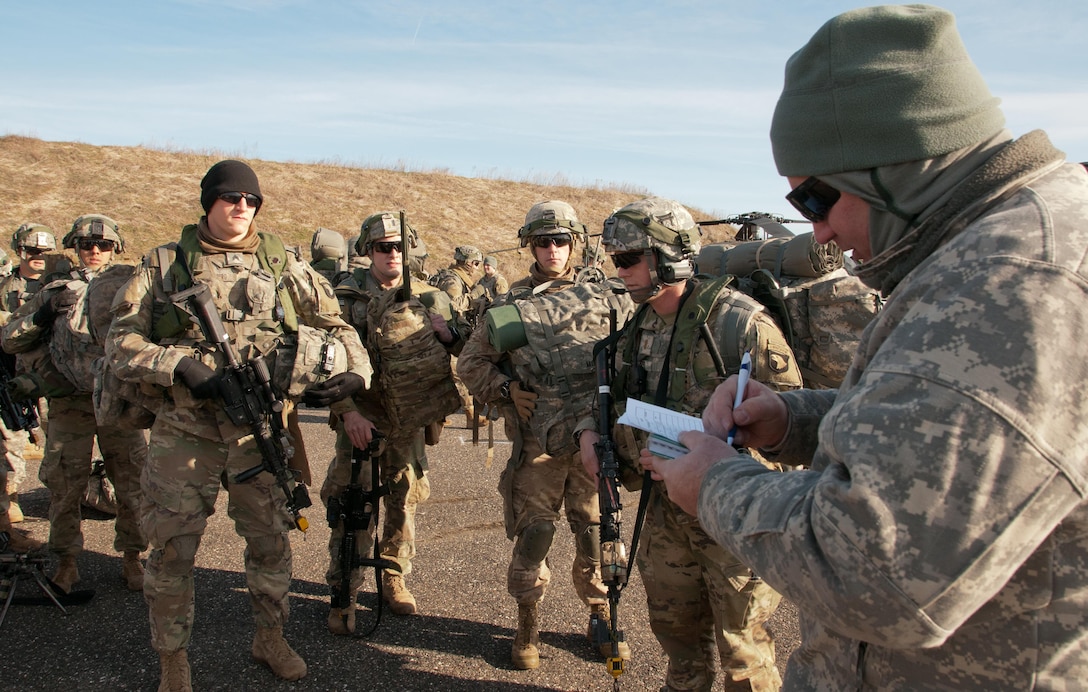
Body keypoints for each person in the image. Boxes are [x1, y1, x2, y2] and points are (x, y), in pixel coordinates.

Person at [641, 5, 1088, 689]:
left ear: (892, 162)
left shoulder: (1007, 284)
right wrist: (797, 420)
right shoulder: (995, 250)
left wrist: (714, 486)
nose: (817, 235)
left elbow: (877, 574)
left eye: (817, 201)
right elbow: (947, 429)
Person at [105, 160, 372, 690]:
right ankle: (173, 660)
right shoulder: (165, 264)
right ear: (208, 202)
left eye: (251, 200)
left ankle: (269, 636)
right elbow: (119, 343)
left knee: (272, 543)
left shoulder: (282, 263)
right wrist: (179, 365)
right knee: (174, 548)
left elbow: (335, 326)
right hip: (186, 430)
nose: (241, 207)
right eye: (230, 197)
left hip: (260, 431)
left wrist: (355, 377)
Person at [577, 197, 802, 691]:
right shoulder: (638, 327)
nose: (621, 271)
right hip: (664, 514)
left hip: (733, 516)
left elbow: (792, 431)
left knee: (742, 652)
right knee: (678, 644)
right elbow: (615, 403)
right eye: (616, 260)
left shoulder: (739, 323)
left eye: (629, 259)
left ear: (668, 257)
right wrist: (590, 434)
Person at [458, 200, 615, 670]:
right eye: (542, 241)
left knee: (596, 532)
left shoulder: (605, 298)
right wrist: (505, 389)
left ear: (575, 243)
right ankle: (528, 622)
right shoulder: (510, 307)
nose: (552, 250)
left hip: (592, 441)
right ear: (530, 244)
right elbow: (470, 362)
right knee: (536, 534)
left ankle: (602, 614)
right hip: (537, 447)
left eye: (560, 241)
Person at [305, 211, 462, 631]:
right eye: (383, 247)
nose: (392, 254)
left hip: (409, 417)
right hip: (362, 414)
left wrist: (447, 334)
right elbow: (325, 361)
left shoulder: (431, 296)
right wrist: (349, 414)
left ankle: (393, 574)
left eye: (399, 247)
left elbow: (462, 347)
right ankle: (344, 586)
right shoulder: (344, 297)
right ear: (368, 251)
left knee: (403, 498)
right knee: (350, 503)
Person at [2, 215, 149, 595]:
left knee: (132, 482)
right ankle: (67, 560)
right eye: (86, 245)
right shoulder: (53, 287)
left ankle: (133, 557)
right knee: (65, 486)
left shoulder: (129, 284)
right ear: (74, 247)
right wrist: (43, 312)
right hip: (69, 401)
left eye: (103, 245)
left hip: (119, 401)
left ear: (116, 248)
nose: (94, 251)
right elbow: (10, 339)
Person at [0, 224, 54, 527]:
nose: (39, 257)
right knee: (12, 440)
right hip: (15, 372)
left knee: (59, 436)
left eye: (45, 252)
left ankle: (66, 491)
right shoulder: (5, 287)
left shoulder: (58, 285)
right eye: (33, 251)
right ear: (20, 251)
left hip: (52, 373)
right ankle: (11, 497)